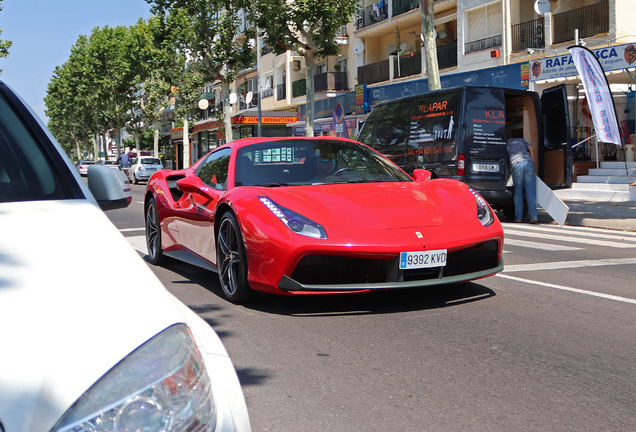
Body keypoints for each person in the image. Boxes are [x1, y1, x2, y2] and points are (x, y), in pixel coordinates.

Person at [506, 134, 538, 223]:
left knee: (518, 192)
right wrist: (532, 162)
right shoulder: (521, 140)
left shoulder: (506, 143)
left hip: (517, 164)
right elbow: (531, 149)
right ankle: (534, 217)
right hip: (528, 163)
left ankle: (518, 218)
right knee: (530, 192)